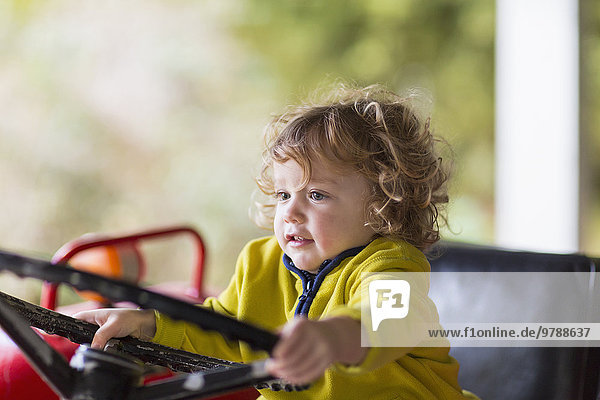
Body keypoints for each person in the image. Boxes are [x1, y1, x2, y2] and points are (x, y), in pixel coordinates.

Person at [76, 84, 478, 399]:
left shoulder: (392, 265)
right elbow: (224, 331)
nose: (290, 212)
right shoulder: (260, 263)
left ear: (382, 203)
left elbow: (388, 319)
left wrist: (330, 337)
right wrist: (148, 324)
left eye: (316, 195)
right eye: (284, 195)